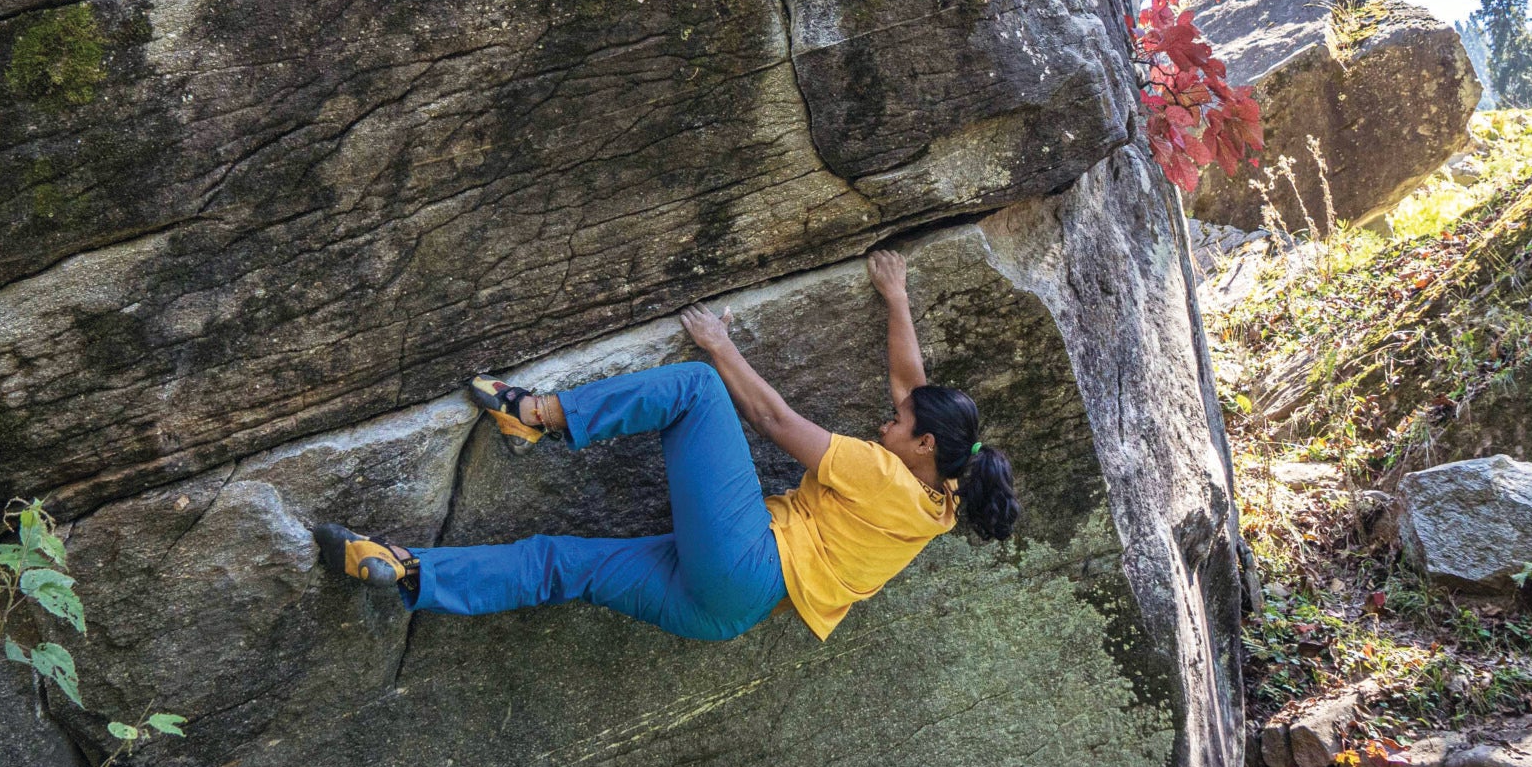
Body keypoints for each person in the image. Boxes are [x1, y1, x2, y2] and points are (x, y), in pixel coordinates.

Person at [317, 250, 1019, 642]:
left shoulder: (878, 471)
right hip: (724, 612)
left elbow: (772, 418)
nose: (884, 424)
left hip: (748, 560)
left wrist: (720, 344)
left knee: (696, 390)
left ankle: (534, 414)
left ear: (923, 445)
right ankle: (409, 574)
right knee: (561, 563)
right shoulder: (944, 497)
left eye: (898, 427)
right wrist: (896, 299)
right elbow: (913, 389)